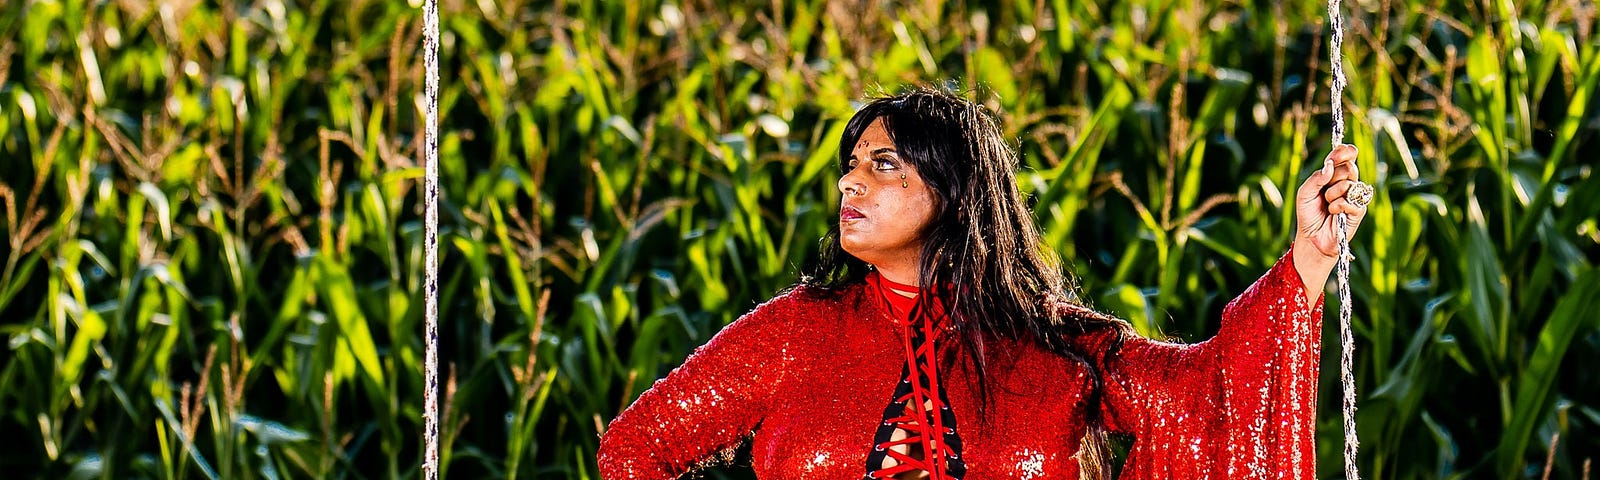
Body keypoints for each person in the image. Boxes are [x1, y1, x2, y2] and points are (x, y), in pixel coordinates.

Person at [597, 87, 1369, 479]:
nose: (848, 185)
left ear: (952, 192)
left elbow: (1215, 401)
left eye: (883, 166)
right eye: (850, 166)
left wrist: (1308, 255)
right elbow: (632, 450)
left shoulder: (1055, 342)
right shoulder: (796, 330)